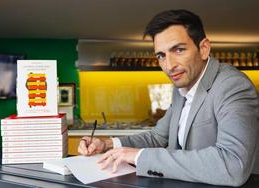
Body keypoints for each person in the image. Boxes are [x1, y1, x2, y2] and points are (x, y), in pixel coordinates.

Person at [78, 9, 259, 186]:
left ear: (204, 49)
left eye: (179, 50)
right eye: (161, 56)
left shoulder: (232, 86)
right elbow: (158, 137)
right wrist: (108, 144)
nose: (169, 65)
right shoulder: (181, 88)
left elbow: (233, 165)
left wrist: (140, 156)